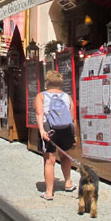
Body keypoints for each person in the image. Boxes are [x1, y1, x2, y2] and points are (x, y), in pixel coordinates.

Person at [36, 70, 78, 200]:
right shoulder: (67, 97)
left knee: (49, 160)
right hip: (66, 129)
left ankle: (49, 192)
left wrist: (42, 130)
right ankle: (68, 183)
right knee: (65, 156)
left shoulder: (41, 96)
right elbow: (73, 119)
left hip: (50, 129)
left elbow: (39, 113)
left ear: (47, 82)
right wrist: (74, 136)